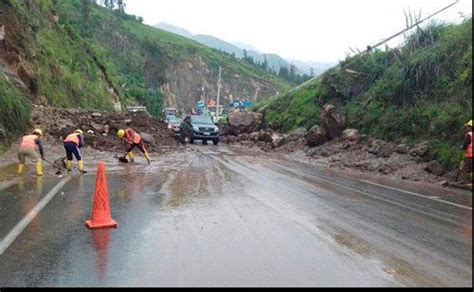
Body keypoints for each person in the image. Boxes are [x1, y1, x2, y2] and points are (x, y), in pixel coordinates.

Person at [461, 120, 473, 185]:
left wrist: (462, 147)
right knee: (472, 170)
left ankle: (465, 182)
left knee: (465, 168)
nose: (467, 128)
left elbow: (465, 145)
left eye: (468, 127)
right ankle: (470, 182)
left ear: (471, 127)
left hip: (469, 155)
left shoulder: (469, 135)